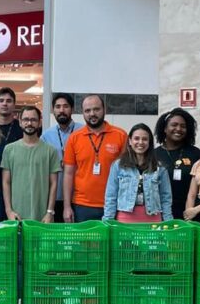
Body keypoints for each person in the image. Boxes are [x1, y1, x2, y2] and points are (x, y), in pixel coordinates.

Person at [62, 94, 127, 222]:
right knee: (84, 242)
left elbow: (128, 173)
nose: (92, 114)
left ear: (104, 110)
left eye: (96, 109)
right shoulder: (74, 138)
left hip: (114, 204)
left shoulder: (121, 136)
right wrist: (67, 206)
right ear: (83, 113)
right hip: (82, 205)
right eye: (87, 110)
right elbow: (68, 174)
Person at [103, 123, 173, 223]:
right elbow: (110, 196)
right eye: (136, 138)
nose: (140, 142)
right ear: (130, 141)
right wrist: (107, 221)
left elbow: (166, 198)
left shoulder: (160, 168)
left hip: (153, 219)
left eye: (145, 139)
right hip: (125, 219)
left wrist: (168, 222)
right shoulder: (118, 166)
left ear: (149, 142)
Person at [1, 106, 60, 222]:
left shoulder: (50, 151)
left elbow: (53, 184)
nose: (29, 123)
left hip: (43, 216)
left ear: (39, 123)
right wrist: (9, 211)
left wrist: (50, 212)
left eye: (33, 120)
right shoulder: (9, 149)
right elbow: (6, 182)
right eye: (26, 120)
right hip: (16, 216)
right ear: (20, 122)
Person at [41, 92, 83, 222]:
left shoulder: (83, 132)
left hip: (78, 195)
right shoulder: (46, 136)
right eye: (58, 107)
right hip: (55, 195)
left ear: (72, 109)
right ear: (53, 110)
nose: (61, 110)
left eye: (65, 106)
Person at [155, 108, 200, 220]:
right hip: (161, 213)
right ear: (165, 128)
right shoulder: (154, 155)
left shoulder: (196, 154)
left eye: (183, 126)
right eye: (174, 125)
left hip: (190, 212)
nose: (178, 129)